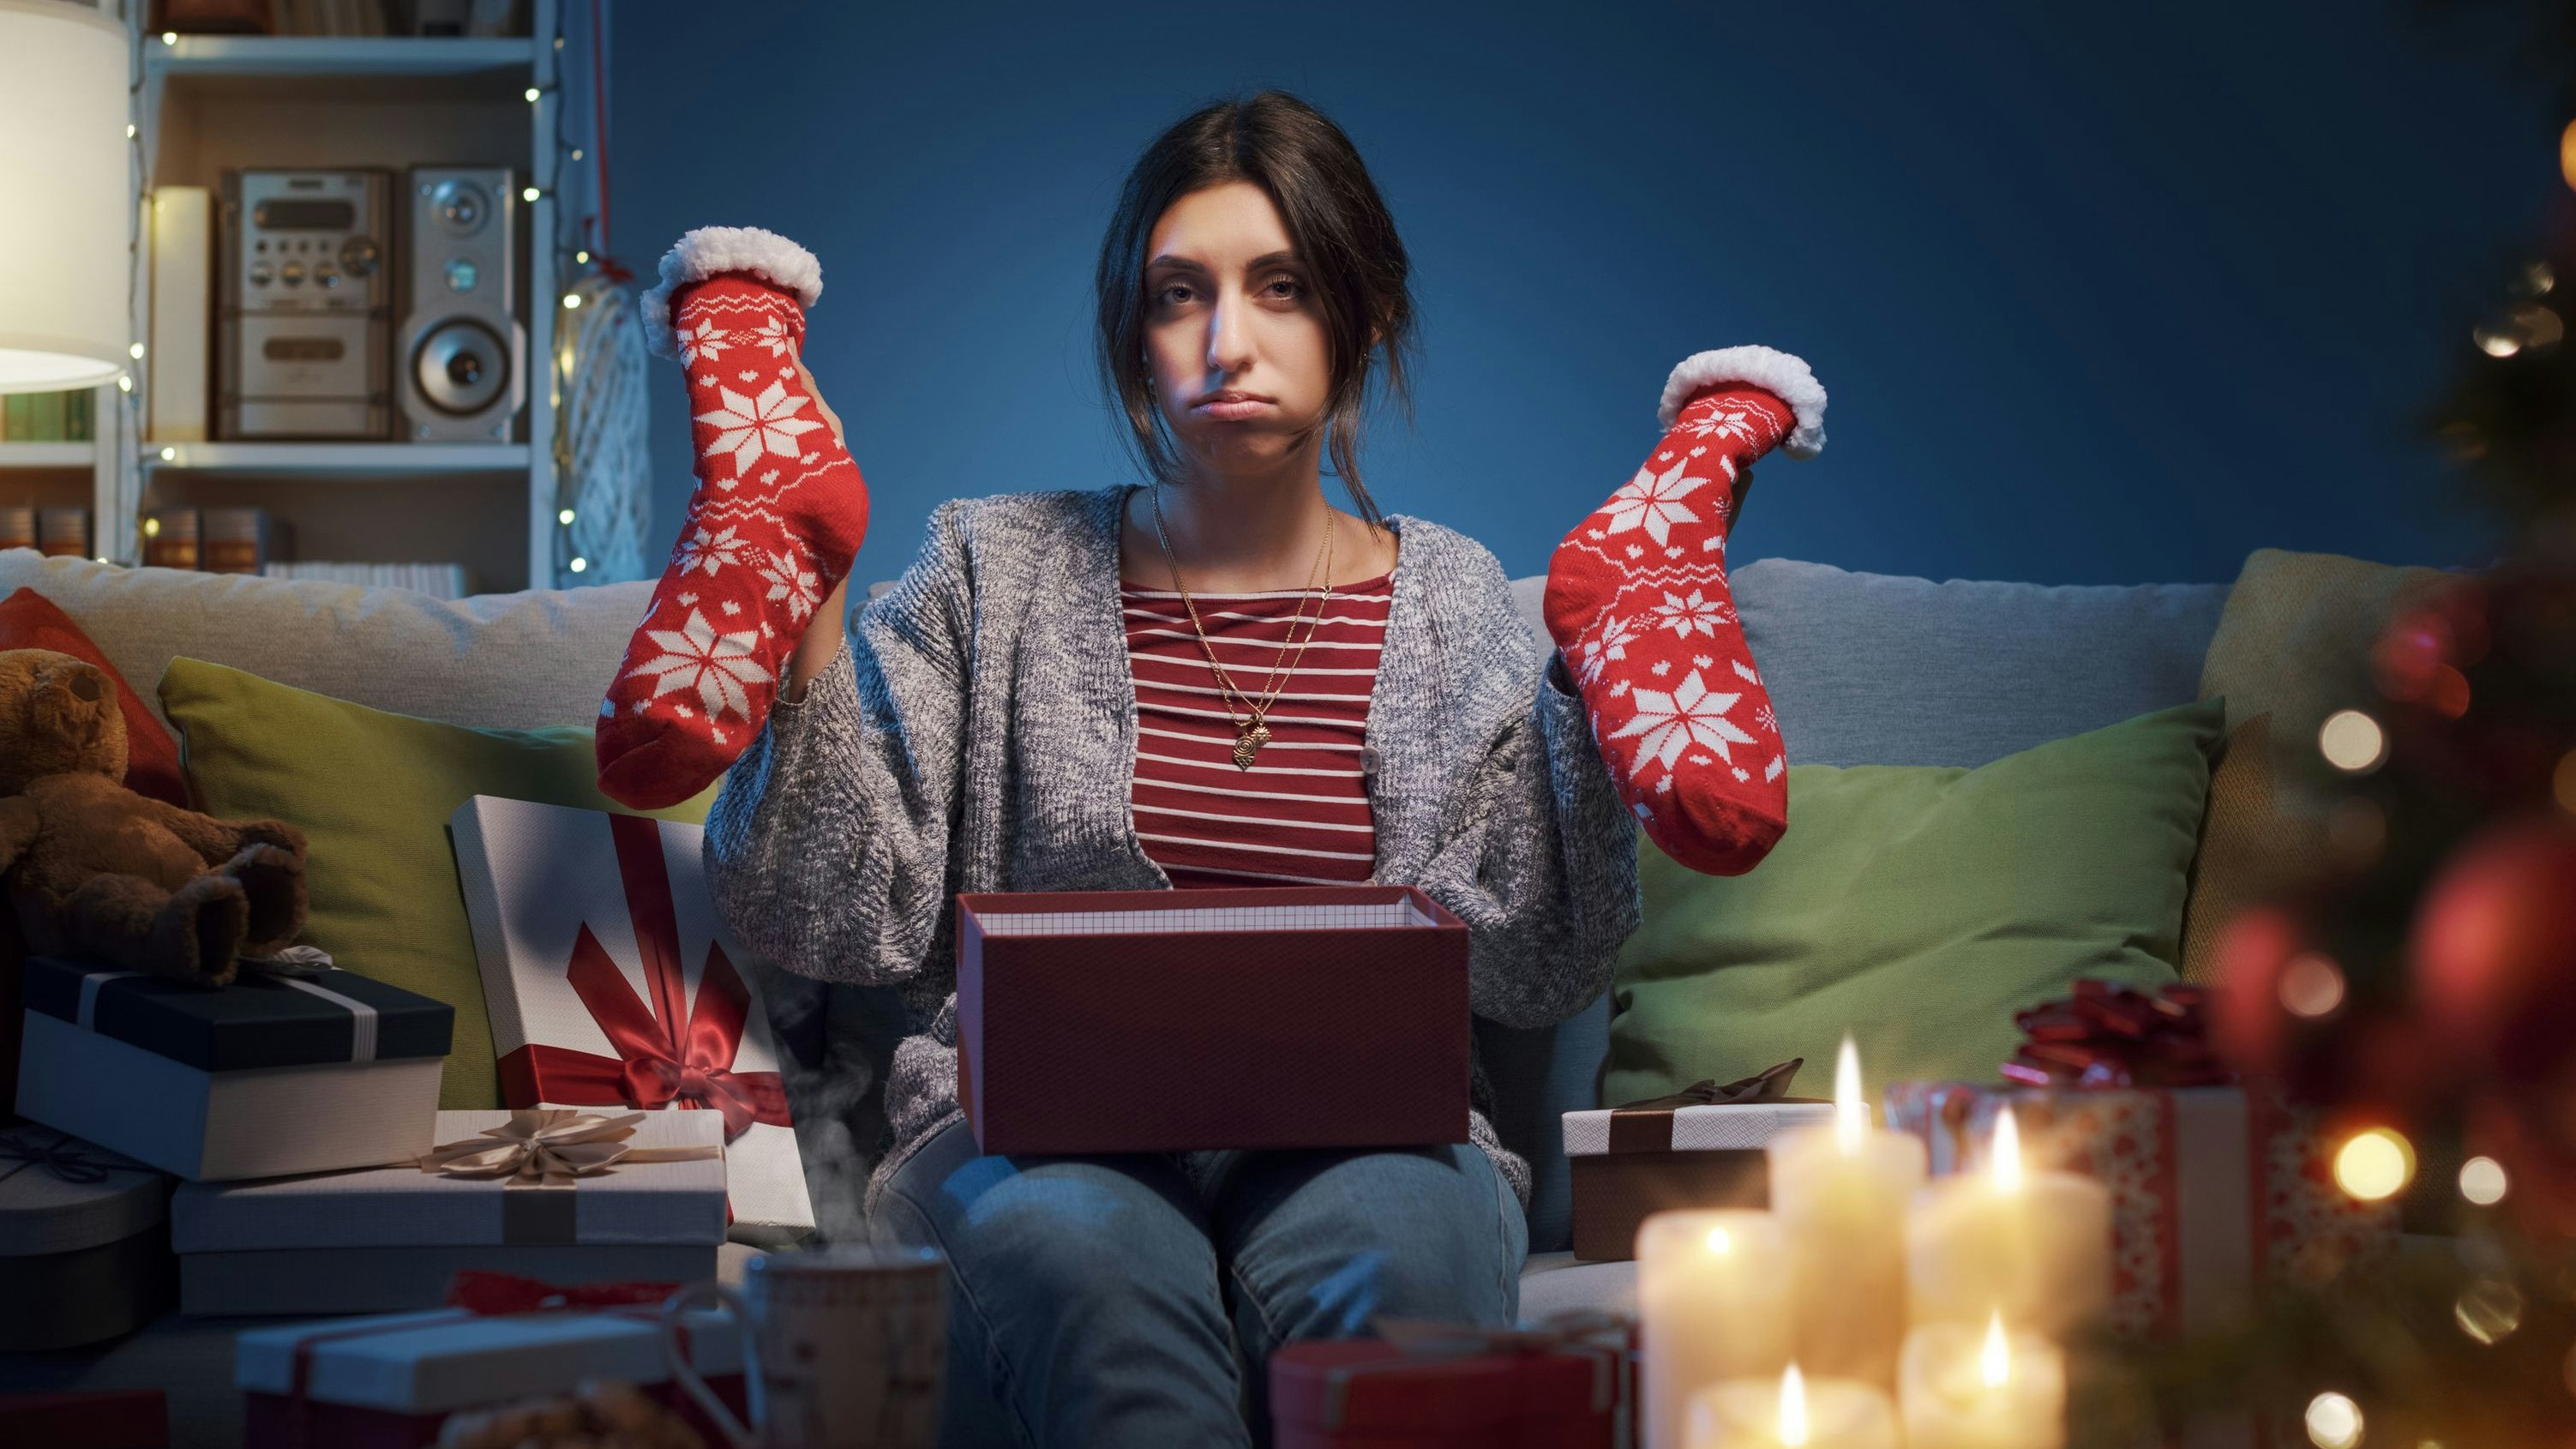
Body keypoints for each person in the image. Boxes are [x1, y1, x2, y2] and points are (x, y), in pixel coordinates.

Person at [700, 90, 1647, 1446]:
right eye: (1177, 294)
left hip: (1371, 1140)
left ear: (1361, 319)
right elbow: (833, 909)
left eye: (1281, 287)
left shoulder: (1460, 603)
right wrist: (807, 611)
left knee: (1404, 1264)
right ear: (1133, 342)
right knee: (1091, 1272)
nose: (1226, 340)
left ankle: (1632, 633)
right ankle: (769, 517)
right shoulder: (989, 567)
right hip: (1029, 1141)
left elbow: (1537, 968)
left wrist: (1586, 704)